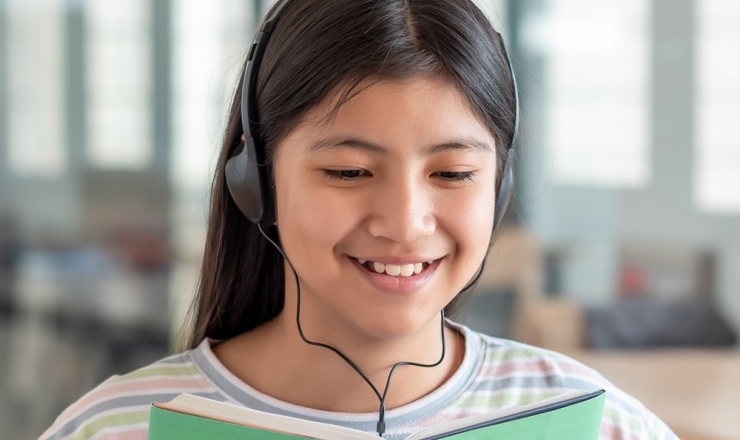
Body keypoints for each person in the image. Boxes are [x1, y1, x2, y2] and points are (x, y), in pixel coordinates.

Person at [41, 0, 678, 439]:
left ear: (500, 186)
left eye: (453, 174)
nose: (405, 223)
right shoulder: (120, 427)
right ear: (255, 180)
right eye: (348, 172)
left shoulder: (596, 423)